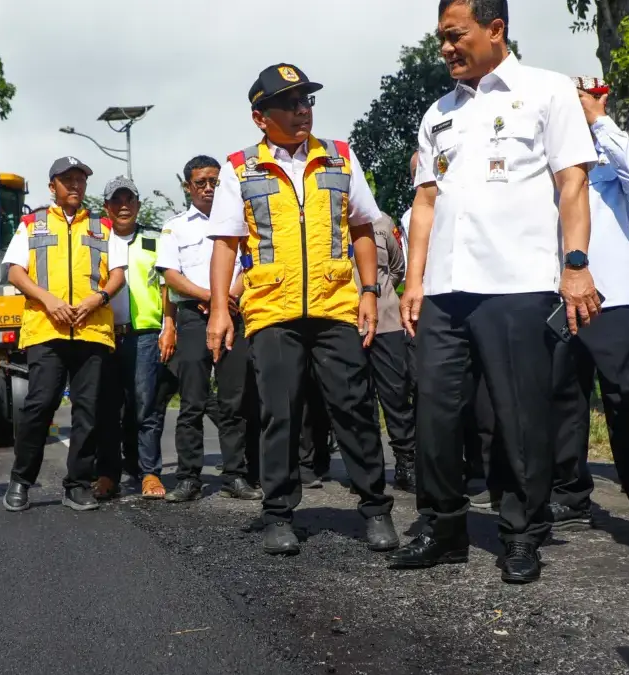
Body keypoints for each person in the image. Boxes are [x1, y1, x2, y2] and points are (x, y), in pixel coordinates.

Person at [389, 0, 601, 584]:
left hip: (516, 283)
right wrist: (414, 282)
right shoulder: (438, 112)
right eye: (440, 40)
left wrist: (575, 264)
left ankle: (521, 532)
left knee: (516, 417)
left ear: (495, 28)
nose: (446, 49)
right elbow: (425, 202)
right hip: (445, 289)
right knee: (434, 410)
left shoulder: (547, 90)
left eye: (455, 36)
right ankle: (443, 527)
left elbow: (572, 182)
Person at [207, 62, 398, 555]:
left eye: (307, 101)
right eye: (289, 104)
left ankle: (376, 509)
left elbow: (361, 228)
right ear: (260, 116)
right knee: (280, 413)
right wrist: (219, 313)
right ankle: (278, 515)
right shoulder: (239, 167)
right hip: (272, 309)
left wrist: (370, 292)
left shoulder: (338, 157)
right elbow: (226, 244)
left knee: (353, 407)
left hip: (336, 304)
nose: (301, 111)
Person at [545, 78, 629, 540]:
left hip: (612, 298)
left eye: (583, 98)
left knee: (628, 402)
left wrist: (599, 119)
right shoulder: (546, 153)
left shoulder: (608, 156)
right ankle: (570, 496)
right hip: (557, 295)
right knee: (563, 400)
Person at [1, 157, 127, 513]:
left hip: (92, 330)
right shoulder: (32, 224)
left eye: (80, 180)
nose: (74, 185)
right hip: (46, 328)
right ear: (52, 185)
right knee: (39, 405)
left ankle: (77, 484)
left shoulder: (103, 227)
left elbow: (117, 275)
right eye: (66, 179)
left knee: (88, 410)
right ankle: (21, 479)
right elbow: (15, 272)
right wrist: (48, 300)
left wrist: (97, 298)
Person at [157, 155, 262, 503]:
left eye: (214, 181)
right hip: (192, 317)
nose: (207, 188)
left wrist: (226, 299)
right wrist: (210, 296)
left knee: (234, 399)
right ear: (188, 186)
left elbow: (249, 265)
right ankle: (188, 478)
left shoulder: (240, 223)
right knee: (192, 401)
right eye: (200, 182)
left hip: (234, 313)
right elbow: (171, 276)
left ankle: (235, 475)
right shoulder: (175, 227)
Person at [95, 176, 170, 500]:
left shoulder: (155, 240)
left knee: (145, 407)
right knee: (107, 408)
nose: (123, 206)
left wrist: (170, 325)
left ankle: (149, 472)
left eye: (130, 200)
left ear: (138, 205)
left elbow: (168, 287)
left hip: (145, 334)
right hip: (103, 334)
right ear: (106, 207)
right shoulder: (95, 241)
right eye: (116, 200)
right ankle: (107, 474)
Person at [360, 212, 417, 491]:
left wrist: (380, 294)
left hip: (386, 322)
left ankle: (406, 462)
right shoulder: (326, 218)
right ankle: (368, 470)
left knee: (396, 395)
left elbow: (397, 267)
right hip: (348, 324)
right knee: (358, 400)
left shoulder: (382, 222)